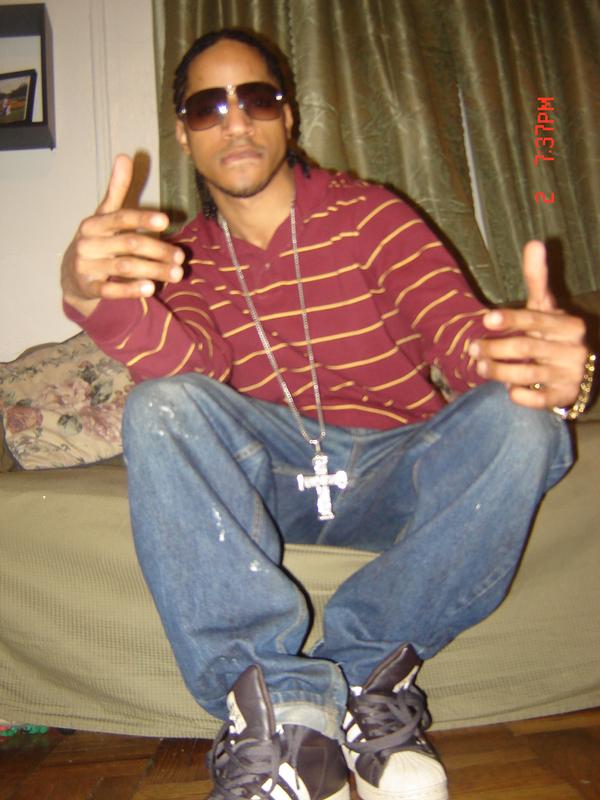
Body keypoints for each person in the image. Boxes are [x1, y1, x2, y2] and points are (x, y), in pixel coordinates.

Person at [61, 27, 592, 800]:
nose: (236, 123)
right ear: (182, 131)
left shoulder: (371, 216)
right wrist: (84, 295)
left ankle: (370, 678)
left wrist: (538, 368)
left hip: (392, 468)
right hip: (269, 479)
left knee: (525, 422)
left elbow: (456, 336)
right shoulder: (183, 258)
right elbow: (190, 373)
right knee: (162, 406)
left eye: (257, 99)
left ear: (288, 115)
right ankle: (283, 716)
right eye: (208, 107)